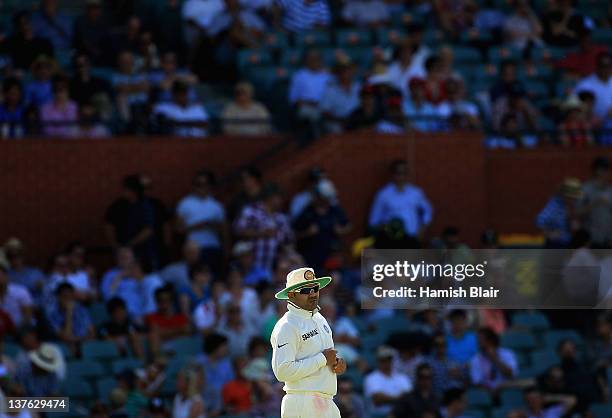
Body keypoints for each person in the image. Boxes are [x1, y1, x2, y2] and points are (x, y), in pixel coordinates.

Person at [270, 267, 345, 418]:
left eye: (315, 288)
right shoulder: (287, 325)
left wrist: (336, 364)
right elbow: (282, 371)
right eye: (305, 290)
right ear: (291, 295)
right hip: (302, 401)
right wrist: (323, 359)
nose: (313, 294)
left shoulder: (320, 319)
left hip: (327, 401)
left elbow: (326, 357)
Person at [369, 159, 433, 248]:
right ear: (392, 175)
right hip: (390, 240)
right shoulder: (383, 194)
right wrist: (388, 228)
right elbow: (374, 221)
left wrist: (422, 230)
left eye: (404, 173)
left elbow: (427, 212)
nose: (401, 177)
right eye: (398, 173)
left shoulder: (416, 193)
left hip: (412, 238)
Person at [364, 345, 412, 416]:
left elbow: (410, 397)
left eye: (388, 359)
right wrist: (400, 399)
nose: (386, 362)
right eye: (383, 359)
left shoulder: (402, 377)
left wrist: (388, 398)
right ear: (378, 360)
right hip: (379, 415)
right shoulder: (371, 378)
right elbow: (378, 399)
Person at [536, 178, 583, 248]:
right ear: (567, 195)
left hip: (566, 243)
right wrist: (549, 233)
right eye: (573, 198)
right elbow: (540, 220)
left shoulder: (567, 206)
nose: (575, 200)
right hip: (555, 245)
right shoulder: (555, 205)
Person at [578, 157, 612, 248]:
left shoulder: (610, 190)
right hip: (591, 239)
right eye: (604, 170)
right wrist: (595, 204)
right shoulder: (585, 189)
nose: (607, 173)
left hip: (608, 239)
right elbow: (578, 212)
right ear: (596, 171)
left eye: (607, 170)